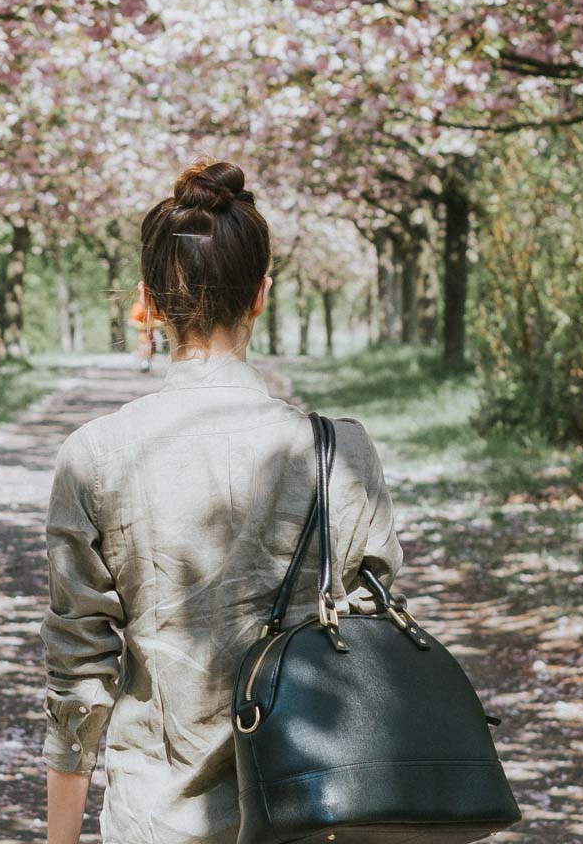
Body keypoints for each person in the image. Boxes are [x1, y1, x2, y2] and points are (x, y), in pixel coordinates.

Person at [40, 159, 404, 844]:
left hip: (154, 819)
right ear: (261, 294)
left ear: (147, 298)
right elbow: (369, 649)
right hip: (313, 814)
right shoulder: (341, 455)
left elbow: (77, 675)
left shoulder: (93, 455)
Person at [127, 282, 155, 372]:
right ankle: (144, 362)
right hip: (143, 332)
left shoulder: (152, 305)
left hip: (151, 331)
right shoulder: (138, 306)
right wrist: (141, 325)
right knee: (144, 344)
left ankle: (146, 362)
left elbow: (159, 320)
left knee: (150, 345)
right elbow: (131, 321)